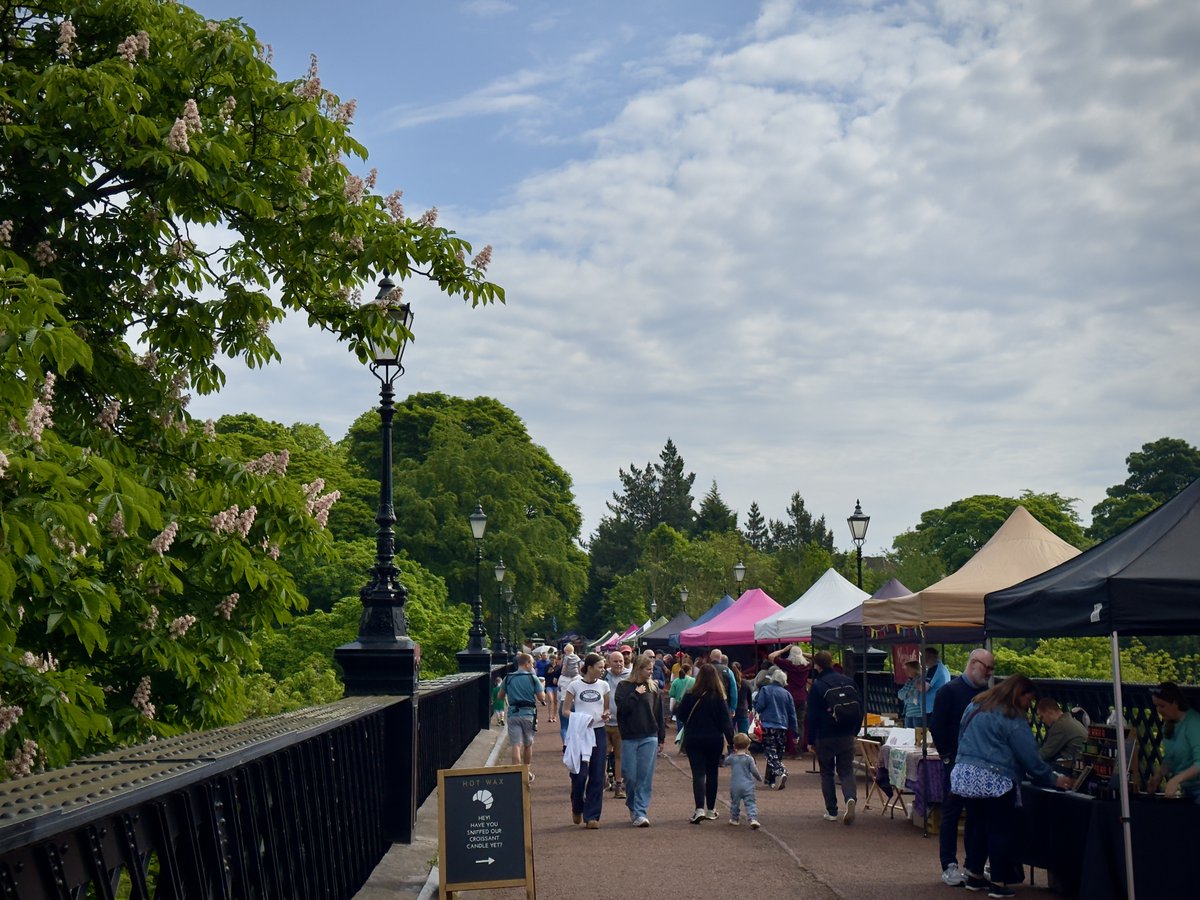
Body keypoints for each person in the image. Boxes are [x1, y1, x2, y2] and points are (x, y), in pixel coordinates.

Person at [951, 674, 1072, 897]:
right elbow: (1030, 757)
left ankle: (974, 875)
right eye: (1029, 699)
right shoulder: (1012, 716)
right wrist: (1053, 779)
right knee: (999, 829)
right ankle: (998, 882)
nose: (1030, 705)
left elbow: (961, 735)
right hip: (995, 778)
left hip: (964, 774)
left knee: (977, 825)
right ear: (1020, 694)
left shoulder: (976, 705)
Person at [928, 648, 994, 888]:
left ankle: (973, 864)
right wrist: (947, 756)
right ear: (974, 664)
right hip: (955, 759)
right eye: (987, 668)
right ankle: (949, 864)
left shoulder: (987, 693)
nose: (989, 673)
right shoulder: (949, 691)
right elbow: (937, 725)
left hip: (979, 762)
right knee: (952, 811)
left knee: (976, 814)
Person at [674, 663, 735, 823]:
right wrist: (731, 742)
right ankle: (711, 809)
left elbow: (679, 714)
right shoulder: (719, 697)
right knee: (712, 773)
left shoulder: (690, 695)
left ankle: (699, 808)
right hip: (714, 738)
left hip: (694, 738)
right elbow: (726, 723)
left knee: (698, 774)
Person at [805, 650, 861, 825]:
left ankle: (832, 811)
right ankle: (850, 797)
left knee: (827, 773)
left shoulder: (818, 685)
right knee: (846, 770)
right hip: (846, 732)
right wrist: (855, 730)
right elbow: (859, 708)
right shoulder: (849, 681)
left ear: (817, 666)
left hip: (825, 734)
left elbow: (811, 715)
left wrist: (810, 739)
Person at [615, 653, 666, 826]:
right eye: (648, 669)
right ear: (639, 669)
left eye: (652, 669)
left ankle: (640, 812)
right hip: (629, 736)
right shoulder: (624, 686)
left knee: (645, 777)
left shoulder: (653, 688)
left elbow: (659, 713)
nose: (651, 672)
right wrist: (635, 694)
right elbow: (622, 710)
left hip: (649, 735)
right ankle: (633, 804)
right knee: (629, 775)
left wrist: (661, 738)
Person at [562, 653, 611, 828]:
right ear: (589, 667)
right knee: (579, 774)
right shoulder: (574, 685)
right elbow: (565, 711)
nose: (603, 669)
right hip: (580, 732)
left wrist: (606, 715)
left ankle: (592, 816)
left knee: (597, 775)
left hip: (598, 732)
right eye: (600, 666)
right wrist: (581, 719)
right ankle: (577, 806)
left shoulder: (604, 686)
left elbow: (606, 709)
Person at [1146, 681, 1200, 802]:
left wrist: (1177, 779)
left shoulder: (1194, 723)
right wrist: (1158, 776)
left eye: (1162, 706)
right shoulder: (1170, 725)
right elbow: (1171, 758)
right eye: (1156, 706)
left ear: (1175, 703)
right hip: (1188, 791)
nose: (1159, 710)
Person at [497, 652, 546, 782]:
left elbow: (500, 696)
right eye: (532, 663)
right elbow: (541, 698)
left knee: (516, 745)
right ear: (527, 664)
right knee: (528, 744)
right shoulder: (532, 678)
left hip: (513, 714)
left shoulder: (508, 678)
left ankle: (516, 773)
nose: (533, 666)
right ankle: (526, 771)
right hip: (528, 714)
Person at [755, 668, 799, 790]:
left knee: (770, 752)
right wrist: (795, 732)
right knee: (778, 753)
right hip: (782, 726)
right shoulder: (787, 694)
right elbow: (792, 714)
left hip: (768, 725)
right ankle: (771, 780)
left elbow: (759, 706)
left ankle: (781, 771)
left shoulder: (765, 690)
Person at [767, 643, 812, 756]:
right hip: (802, 697)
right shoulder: (807, 665)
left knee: (787, 721)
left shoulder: (788, 665)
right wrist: (801, 652)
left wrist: (784, 649)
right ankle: (798, 750)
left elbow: (771, 656)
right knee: (800, 723)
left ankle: (787, 747)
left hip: (789, 696)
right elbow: (817, 656)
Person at [604, 651, 630, 798]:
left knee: (620, 755)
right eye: (615, 661)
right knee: (603, 753)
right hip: (603, 722)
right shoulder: (603, 675)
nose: (619, 664)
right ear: (609, 662)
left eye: (621, 661)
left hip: (621, 722)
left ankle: (618, 786)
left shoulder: (629, 676)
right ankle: (603, 781)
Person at [725, 732, 763, 829]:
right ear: (748, 746)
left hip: (735, 786)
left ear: (734, 746)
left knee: (735, 803)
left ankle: (734, 819)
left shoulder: (732, 758)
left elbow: (725, 762)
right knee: (750, 802)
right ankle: (752, 818)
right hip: (748, 786)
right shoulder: (749, 759)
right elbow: (754, 770)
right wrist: (759, 778)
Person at [1036, 698, 1088, 763]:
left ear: (1049, 712)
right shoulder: (1070, 721)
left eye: (1042, 717)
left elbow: (1045, 754)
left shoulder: (1060, 726)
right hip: (1081, 761)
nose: (1043, 721)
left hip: (1073, 765)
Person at [922, 646, 951, 716]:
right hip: (938, 707)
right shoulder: (942, 668)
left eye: (924, 657)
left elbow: (924, 688)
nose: (923, 660)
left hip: (933, 709)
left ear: (930, 657)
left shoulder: (934, 669)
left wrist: (917, 682)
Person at [668, 661, 695, 732]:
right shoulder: (694, 681)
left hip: (679, 706)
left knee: (680, 729)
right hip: (691, 706)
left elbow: (671, 694)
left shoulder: (676, 681)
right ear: (689, 671)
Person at [897, 659, 924, 728]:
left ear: (914, 669)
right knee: (908, 735)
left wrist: (906, 698)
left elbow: (916, 697)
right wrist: (908, 694)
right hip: (908, 713)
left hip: (918, 713)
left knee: (917, 735)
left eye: (908, 669)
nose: (906, 672)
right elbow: (900, 694)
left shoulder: (921, 679)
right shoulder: (909, 681)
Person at [732, 661, 753, 735]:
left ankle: (731, 745)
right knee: (744, 734)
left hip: (732, 710)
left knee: (730, 733)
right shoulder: (746, 683)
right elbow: (749, 698)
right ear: (741, 670)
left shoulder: (729, 683)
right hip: (743, 710)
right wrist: (750, 709)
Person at [545, 656, 562, 724]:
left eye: (553, 660)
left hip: (556, 686)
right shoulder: (547, 666)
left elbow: (560, 676)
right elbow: (544, 675)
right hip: (549, 685)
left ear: (556, 660)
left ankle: (554, 716)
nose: (552, 661)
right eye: (550, 660)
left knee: (555, 701)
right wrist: (548, 672)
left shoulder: (558, 667)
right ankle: (550, 716)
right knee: (550, 700)